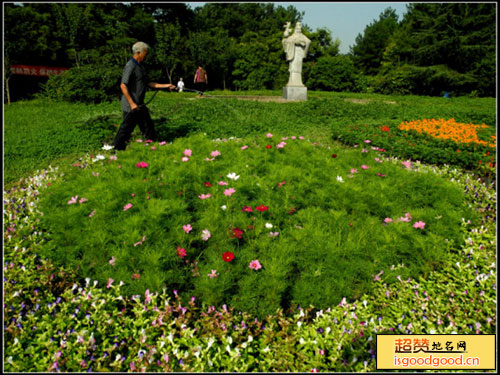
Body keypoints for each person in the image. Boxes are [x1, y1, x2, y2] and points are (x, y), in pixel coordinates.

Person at [112, 41, 176, 150]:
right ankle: (116, 150)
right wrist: (132, 103)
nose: (146, 56)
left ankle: (152, 147)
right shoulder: (130, 66)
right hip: (131, 106)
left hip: (140, 105)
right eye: (145, 54)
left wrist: (166, 86)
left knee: (148, 127)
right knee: (126, 130)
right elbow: (123, 85)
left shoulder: (140, 67)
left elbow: (149, 83)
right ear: (138, 53)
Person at [282, 22, 311, 87]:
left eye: (300, 26)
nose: (299, 27)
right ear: (295, 28)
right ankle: (292, 82)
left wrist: (304, 52)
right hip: (293, 52)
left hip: (299, 53)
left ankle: (298, 82)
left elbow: (308, 41)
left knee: (298, 68)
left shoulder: (302, 36)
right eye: (298, 26)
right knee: (293, 68)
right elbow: (286, 40)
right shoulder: (293, 36)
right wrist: (295, 41)